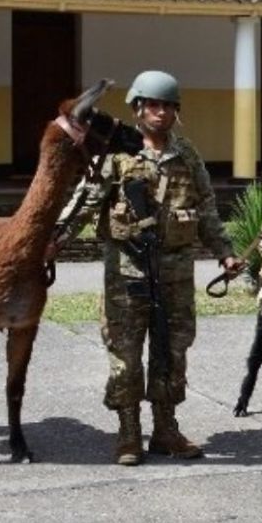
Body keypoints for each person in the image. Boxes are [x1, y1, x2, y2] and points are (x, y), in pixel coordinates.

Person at [53, 70, 242, 466]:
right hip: (127, 270)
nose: (160, 112)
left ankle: (165, 430)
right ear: (138, 108)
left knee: (172, 351)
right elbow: (88, 201)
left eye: (168, 106)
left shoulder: (186, 154)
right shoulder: (118, 153)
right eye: (152, 105)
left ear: (176, 112)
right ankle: (128, 433)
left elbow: (206, 208)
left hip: (175, 271)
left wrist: (224, 252)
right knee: (126, 353)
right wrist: (54, 241)